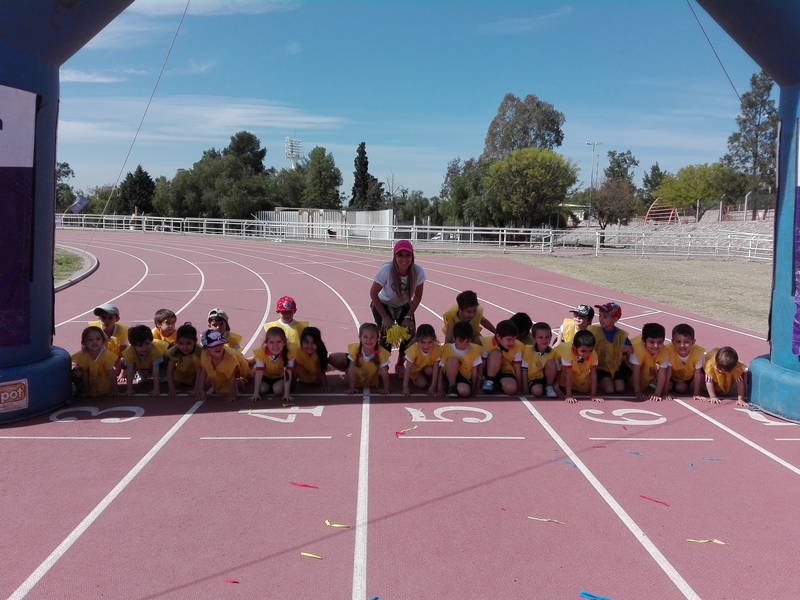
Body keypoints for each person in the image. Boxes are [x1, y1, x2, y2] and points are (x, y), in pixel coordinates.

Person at [369, 240, 425, 374]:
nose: (404, 259)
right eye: (400, 255)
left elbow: (417, 297)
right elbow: (373, 294)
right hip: (383, 304)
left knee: (409, 334)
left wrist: (408, 316)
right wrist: (385, 317)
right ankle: (383, 365)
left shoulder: (418, 271)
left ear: (412, 256)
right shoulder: (386, 270)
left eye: (407, 255)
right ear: (394, 256)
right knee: (386, 334)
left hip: (404, 305)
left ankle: (400, 364)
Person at [588, 302, 632, 394]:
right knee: (609, 389)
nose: (601, 319)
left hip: (616, 367)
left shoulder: (621, 335)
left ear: (615, 319)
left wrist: (626, 349)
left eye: (605, 317)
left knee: (620, 389)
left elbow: (630, 350)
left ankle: (622, 378)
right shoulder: (593, 331)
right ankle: (599, 381)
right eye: (600, 316)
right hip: (600, 367)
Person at [439, 320, 484, 398]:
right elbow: (441, 369)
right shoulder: (447, 348)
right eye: (460, 341)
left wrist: (474, 389)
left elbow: (475, 371)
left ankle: (454, 388)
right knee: (453, 360)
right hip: (448, 376)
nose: (464, 344)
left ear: (471, 339)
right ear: (454, 338)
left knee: (464, 391)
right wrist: (439, 388)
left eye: (467, 341)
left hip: (464, 378)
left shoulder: (475, 350)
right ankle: (452, 386)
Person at [557, 329, 603, 404]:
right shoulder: (567, 353)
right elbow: (568, 375)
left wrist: (593, 395)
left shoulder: (593, 355)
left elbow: (593, 375)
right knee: (558, 367)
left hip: (577, 371)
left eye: (590, 350)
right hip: (562, 370)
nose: (587, 354)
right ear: (574, 347)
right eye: (583, 351)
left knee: (585, 389)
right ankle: (556, 386)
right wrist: (569, 395)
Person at [629, 323, 670, 402]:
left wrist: (657, 393)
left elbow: (662, 373)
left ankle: (652, 377)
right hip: (627, 364)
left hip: (645, 359)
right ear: (644, 341)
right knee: (630, 384)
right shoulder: (637, 349)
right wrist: (637, 392)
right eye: (652, 342)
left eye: (660, 342)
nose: (656, 346)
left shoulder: (665, 351)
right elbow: (636, 371)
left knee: (663, 369)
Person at [252, 327, 296, 402]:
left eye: (279, 342)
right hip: (266, 376)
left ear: (284, 342)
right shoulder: (261, 352)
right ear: (266, 343)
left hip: (280, 377)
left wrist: (286, 394)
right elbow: (259, 372)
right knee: (262, 389)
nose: (275, 346)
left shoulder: (289, 353)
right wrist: (256, 393)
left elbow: (288, 373)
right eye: (271, 342)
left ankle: (281, 386)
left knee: (278, 390)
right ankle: (268, 386)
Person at [122, 325, 168, 396]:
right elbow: (130, 370)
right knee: (123, 361)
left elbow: (155, 370)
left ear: (151, 341)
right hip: (144, 364)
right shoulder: (129, 352)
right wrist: (129, 389)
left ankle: (163, 374)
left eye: (147, 344)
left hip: (161, 361)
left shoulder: (155, 350)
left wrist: (156, 389)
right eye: (140, 345)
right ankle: (141, 374)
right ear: (133, 345)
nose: (144, 348)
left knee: (167, 358)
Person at [71, 326, 117, 398]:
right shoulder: (83, 355)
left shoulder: (106, 355)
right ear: (84, 342)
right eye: (90, 340)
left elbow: (111, 374)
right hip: (89, 386)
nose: (94, 342)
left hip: (103, 387)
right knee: (77, 371)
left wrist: (114, 390)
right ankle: (81, 390)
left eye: (98, 339)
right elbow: (83, 373)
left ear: (103, 341)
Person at [480, 319, 524, 395]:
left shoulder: (518, 346)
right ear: (498, 336)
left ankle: (497, 385)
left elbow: (517, 368)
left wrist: (519, 387)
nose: (512, 342)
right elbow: (481, 365)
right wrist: (479, 381)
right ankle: (489, 381)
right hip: (488, 371)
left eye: (514, 339)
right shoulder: (485, 343)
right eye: (509, 339)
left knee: (511, 389)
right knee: (496, 354)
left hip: (505, 372)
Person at [345, 323, 391, 394]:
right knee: (348, 368)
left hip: (371, 382)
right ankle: (352, 385)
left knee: (385, 367)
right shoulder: (355, 349)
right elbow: (351, 369)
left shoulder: (381, 352)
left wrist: (386, 388)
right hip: (356, 380)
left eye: (372, 337)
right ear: (360, 338)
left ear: (377, 338)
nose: (369, 340)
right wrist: (352, 388)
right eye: (365, 337)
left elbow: (384, 372)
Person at [664, 323, 705, 401]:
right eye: (678, 342)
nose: (682, 345)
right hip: (671, 375)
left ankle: (680, 386)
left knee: (680, 388)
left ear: (693, 342)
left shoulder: (698, 353)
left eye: (686, 342)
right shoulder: (668, 350)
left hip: (686, 377)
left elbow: (698, 373)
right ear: (672, 342)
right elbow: (668, 372)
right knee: (668, 386)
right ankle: (669, 385)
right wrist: (665, 392)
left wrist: (696, 393)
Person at [197, 329, 238, 401]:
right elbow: (203, 372)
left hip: (238, 359)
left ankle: (252, 360)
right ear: (206, 348)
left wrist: (232, 395)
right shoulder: (204, 355)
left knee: (247, 372)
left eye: (219, 344)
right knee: (213, 381)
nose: (217, 347)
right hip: (220, 367)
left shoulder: (230, 359)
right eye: (213, 346)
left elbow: (232, 379)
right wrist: (201, 390)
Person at [401, 324, 441, 396]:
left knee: (430, 370)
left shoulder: (436, 349)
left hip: (427, 367)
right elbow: (408, 368)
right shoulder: (414, 349)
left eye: (430, 342)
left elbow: (436, 368)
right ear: (417, 340)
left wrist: (433, 386)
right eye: (423, 342)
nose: (426, 346)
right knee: (422, 384)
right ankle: (416, 379)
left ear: (434, 340)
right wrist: (405, 387)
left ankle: (430, 381)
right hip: (416, 370)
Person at [522, 321, 558, 398]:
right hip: (534, 378)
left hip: (547, 379)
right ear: (534, 338)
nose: (544, 340)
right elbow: (524, 370)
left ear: (551, 337)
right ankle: (541, 388)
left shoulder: (553, 352)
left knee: (551, 363)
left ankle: (549, 386)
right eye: (540, 337)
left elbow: (557, 371)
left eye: (547, 337)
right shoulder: (528, 350)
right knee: (537, 392)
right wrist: (525, 388)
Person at [165, 322, 201, 399]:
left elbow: (200, 371)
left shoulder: (200, 351)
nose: (185, 347)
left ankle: (196, 385)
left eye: (188, 343)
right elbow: (170, 370)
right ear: (176, 342)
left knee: (207, 380)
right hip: (181, 374)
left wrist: (196, 389)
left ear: (195, 341)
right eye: (181, 343)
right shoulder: (173, 351)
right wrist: (171, 388)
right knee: (177, 381)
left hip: (195, 374)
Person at [294, 326, 329, 391]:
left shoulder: (320, 352)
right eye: (306, 342)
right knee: (293, 363)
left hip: (316, 378)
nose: (310, 346)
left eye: (313, 343)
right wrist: (292, 384)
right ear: (301, 342)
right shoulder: (298, 350)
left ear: (318, 343)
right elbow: (297, 367)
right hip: (303, 377)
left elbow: (322, 370)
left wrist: (325, 385)